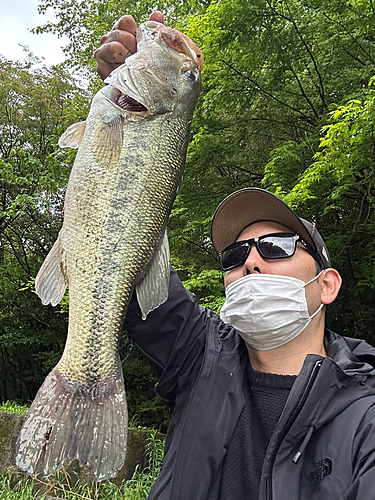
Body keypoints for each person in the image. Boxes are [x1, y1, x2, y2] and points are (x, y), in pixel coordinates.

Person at [95, 15, 375, 500]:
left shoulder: (367, 415)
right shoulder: (198, 353)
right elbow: (120, 251)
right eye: (234, 254)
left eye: (276, 246)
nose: (251, 261)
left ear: (328, 284)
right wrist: (124, 125)